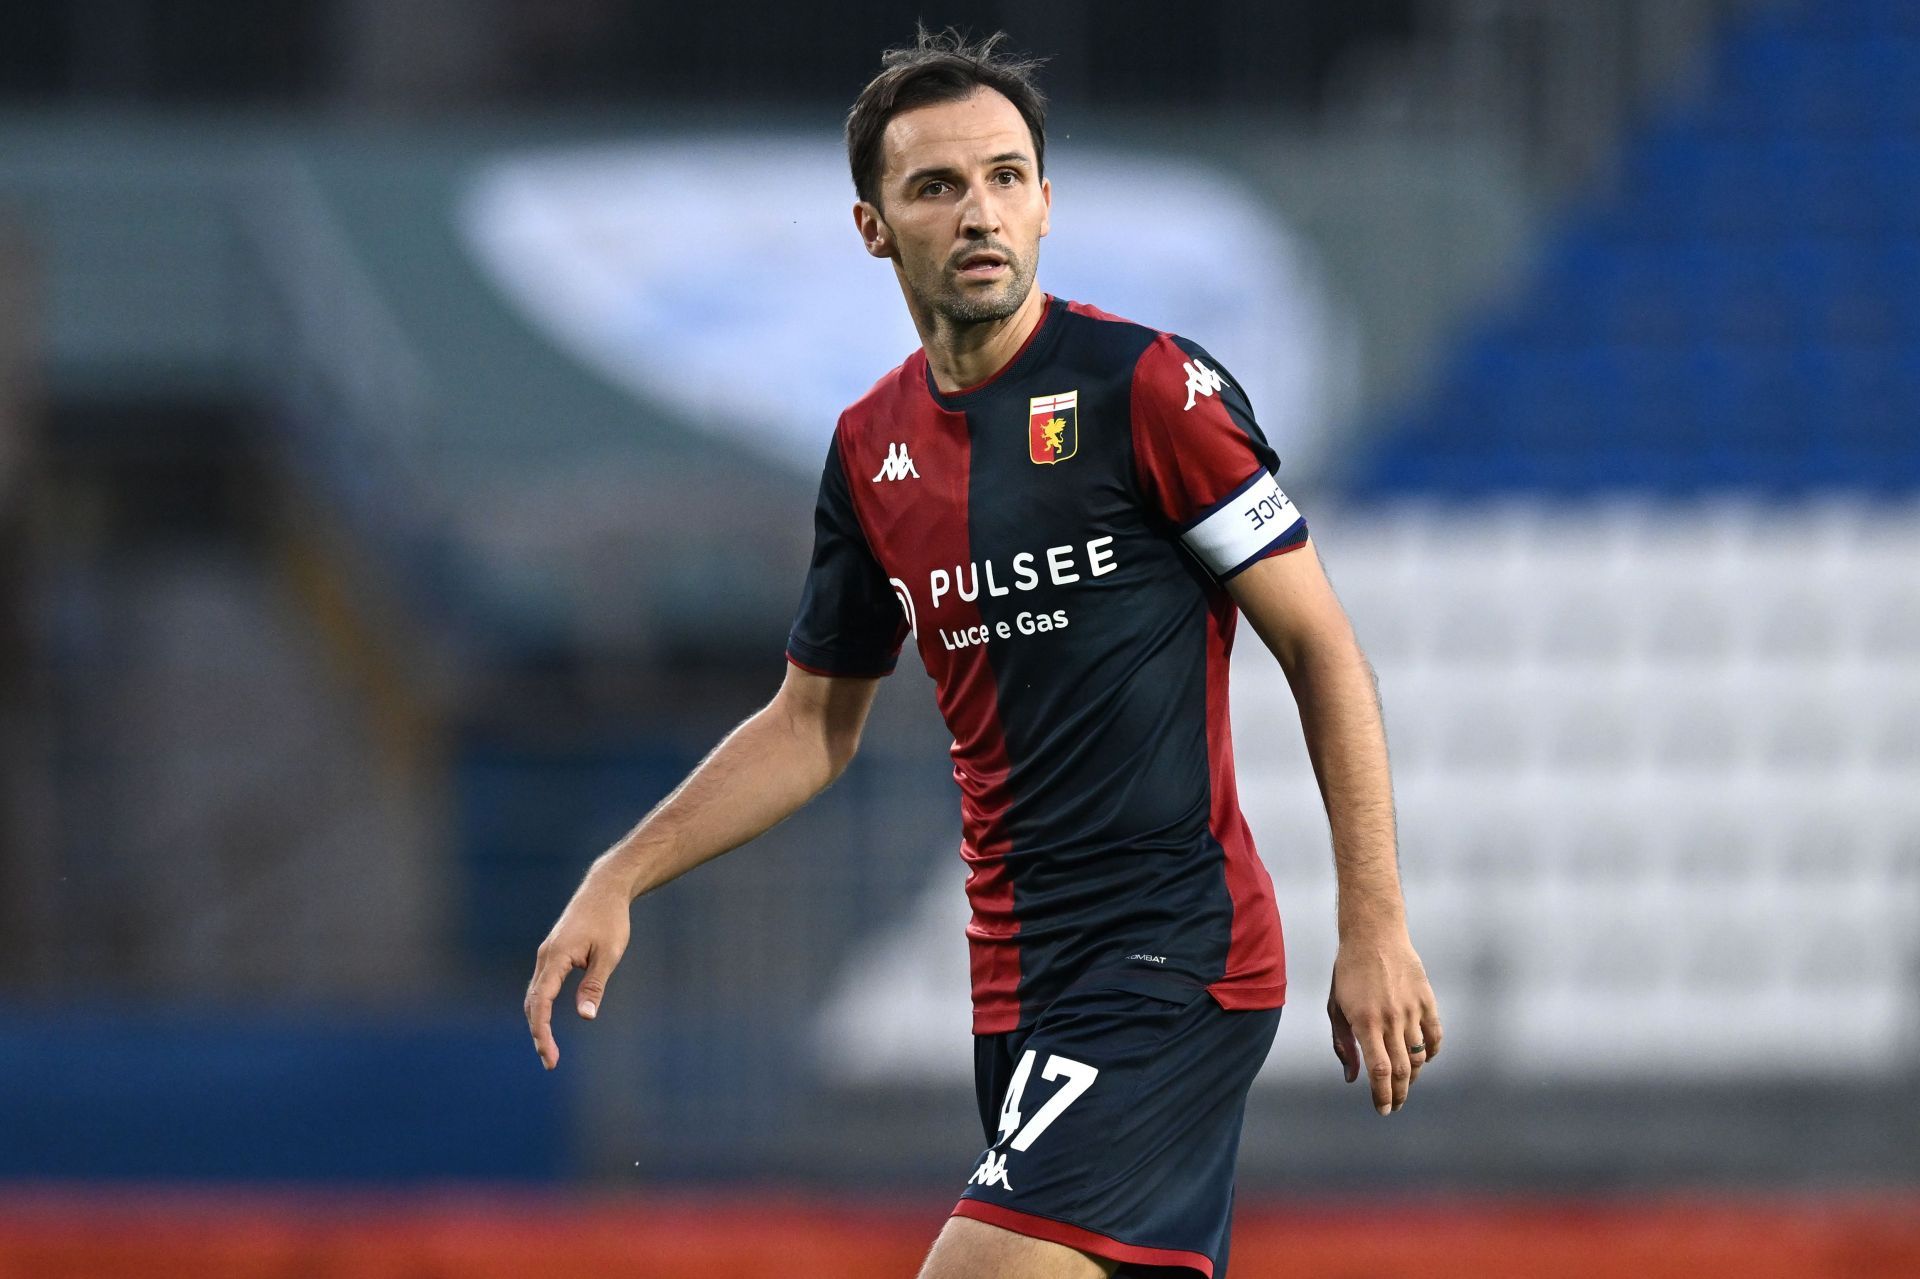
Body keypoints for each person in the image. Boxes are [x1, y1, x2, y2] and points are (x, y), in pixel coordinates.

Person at [525, 27, 1442, 1279]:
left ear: (1049, 204)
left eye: (1007, 178)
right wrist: (622, 872)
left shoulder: (1148, 390)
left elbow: (1323, 649)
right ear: (873, 226)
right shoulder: (869, 450)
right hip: (1017, 986)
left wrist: (1375, 923)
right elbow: (814, 723)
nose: (979, 212)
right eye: (938, 186)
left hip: (1174, 956)